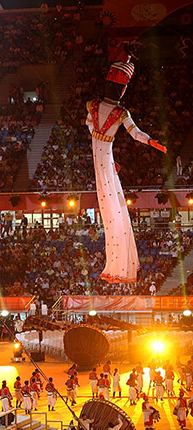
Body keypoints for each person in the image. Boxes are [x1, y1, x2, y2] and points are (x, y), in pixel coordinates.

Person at [85, 55, 166, 283]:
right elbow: (135, 134)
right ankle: (117, 265)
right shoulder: (117, 112)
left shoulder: (98, 107)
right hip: (104, 159)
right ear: (121, 90)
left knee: (112, 209)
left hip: (103, 159)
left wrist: (150, 141)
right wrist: (150, 142)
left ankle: (116, 265)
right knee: (113, 210)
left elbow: (93, 127)